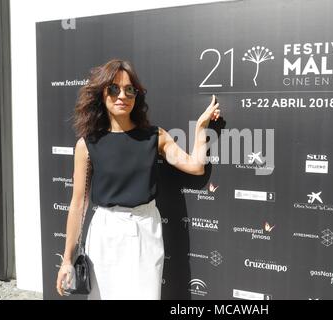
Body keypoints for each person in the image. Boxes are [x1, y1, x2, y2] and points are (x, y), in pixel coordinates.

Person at [55, 59, 220, 299]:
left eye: (129, 89)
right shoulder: (87, 144)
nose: (122, 95)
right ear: (102, 93)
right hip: (106, 232)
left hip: (145, 228)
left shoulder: (155, 136)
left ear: (137, 95)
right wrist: (67, 260)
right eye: (113, 88)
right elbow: (78, 203)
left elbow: (195, 166)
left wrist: (201, 128)